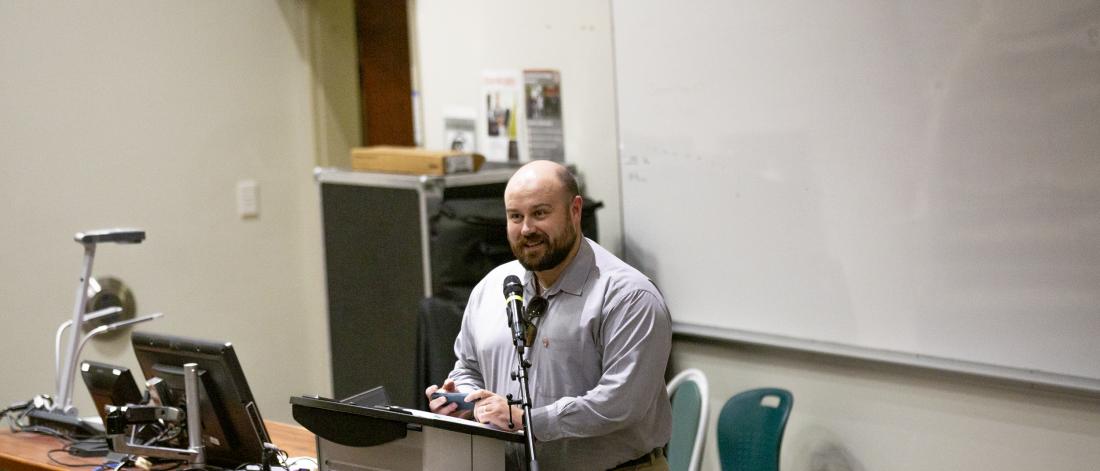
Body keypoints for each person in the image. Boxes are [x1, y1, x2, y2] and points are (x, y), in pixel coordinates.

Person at [425, 160, 673, 470]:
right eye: (516, 217)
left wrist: (526, 421)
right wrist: (465, 400)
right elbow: (467, 368)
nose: (527, 229)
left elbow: (620, 405)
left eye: (540, 213)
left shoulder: (629, 297)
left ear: (575, 210)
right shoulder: (491, 288)